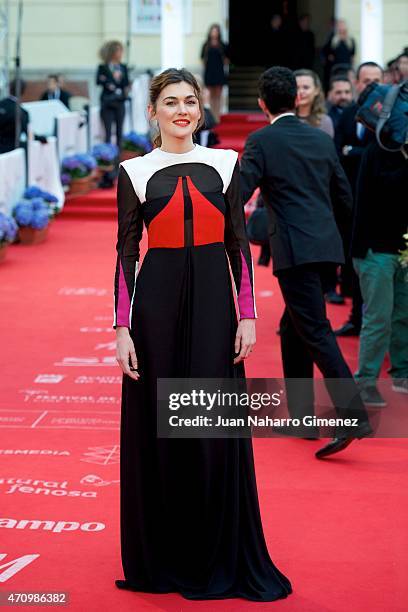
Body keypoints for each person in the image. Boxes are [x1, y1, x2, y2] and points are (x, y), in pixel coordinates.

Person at [113, 67, 292, 601]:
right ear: (153, 112)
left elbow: (239, 245)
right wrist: (122, 328)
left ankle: (216, 549)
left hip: (217, 306)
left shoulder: (226, 164)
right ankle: (166, 555)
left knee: (212, 430)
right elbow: (125, 255)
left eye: (190, 101)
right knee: (163, 430)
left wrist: (248, 314)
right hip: (157, 310)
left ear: (200, 109)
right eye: (170, 103)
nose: (182, 111)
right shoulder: (135, 173)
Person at [240, 66, 372, 459]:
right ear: (296, 99)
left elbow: (242, 191)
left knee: (313, 329)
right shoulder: (319, 138)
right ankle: (300, 415)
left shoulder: (261, 141)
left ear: (262, 103)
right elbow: (344, 197)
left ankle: (353, 414)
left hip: (295, 251)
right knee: (293, 325)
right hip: (326, 246)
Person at [351, 141, 408, 405]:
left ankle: (402, 372)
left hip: (402, 247)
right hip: (376, 249)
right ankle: (365, 382)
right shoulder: (377, 150)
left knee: (403, 314)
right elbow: (381, 192)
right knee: (379, 318)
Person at [334, 61, 384, 337]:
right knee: (352, 259)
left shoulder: (391, 118)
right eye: (367, 81)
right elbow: (337, 153)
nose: (372, 86)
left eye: (377, 80)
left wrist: (354, 152)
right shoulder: (348, 114)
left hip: (380, 202)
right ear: (357, 83)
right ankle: (356, 316)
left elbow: (374, 155)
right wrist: (357, 152)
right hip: (349, 199)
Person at [96, 40, 130, 147]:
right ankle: (108, 158)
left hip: (120, 102)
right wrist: (108, 82)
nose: (120, 54)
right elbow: (99, 81)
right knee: (108, 132)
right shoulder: (103, 67)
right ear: (112, 53)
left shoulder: (123, 67)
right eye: (118, 51)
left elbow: (126, 83)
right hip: (107, 103)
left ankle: (119, 159)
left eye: (121, 51)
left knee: (120, 132)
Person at [200, 24, 229, 122]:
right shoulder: (206, 45)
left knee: (218, 96)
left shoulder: (223, 45)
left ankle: (217, 117)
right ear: (210, 32)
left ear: (219, 33)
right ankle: (211, 117)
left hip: (219, 72)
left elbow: (226, 59)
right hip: (209, 72)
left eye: (216, 31)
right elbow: (202, 58)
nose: (214, 33)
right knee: (210, 96)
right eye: (213, 31)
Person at [294, 69, 334, 138]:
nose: (300, 92)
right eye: (296, 88)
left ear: (316, 90)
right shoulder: (282, 118)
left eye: (306, 87)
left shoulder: (324, 121)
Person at [321, 19, 356, 91]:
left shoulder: (351, 40)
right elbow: (325, 51)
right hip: (335, 68)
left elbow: (353, 56)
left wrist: (351, 68)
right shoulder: (333, 39)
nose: (342, 32)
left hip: (347, 67)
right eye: (340, 30)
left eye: (344, 30)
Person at [0, 79, 29, 154]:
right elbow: (28, 134)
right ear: (23, 91)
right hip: (11, 151)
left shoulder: (2, 104)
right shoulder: (21, 112)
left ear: (9, 89)